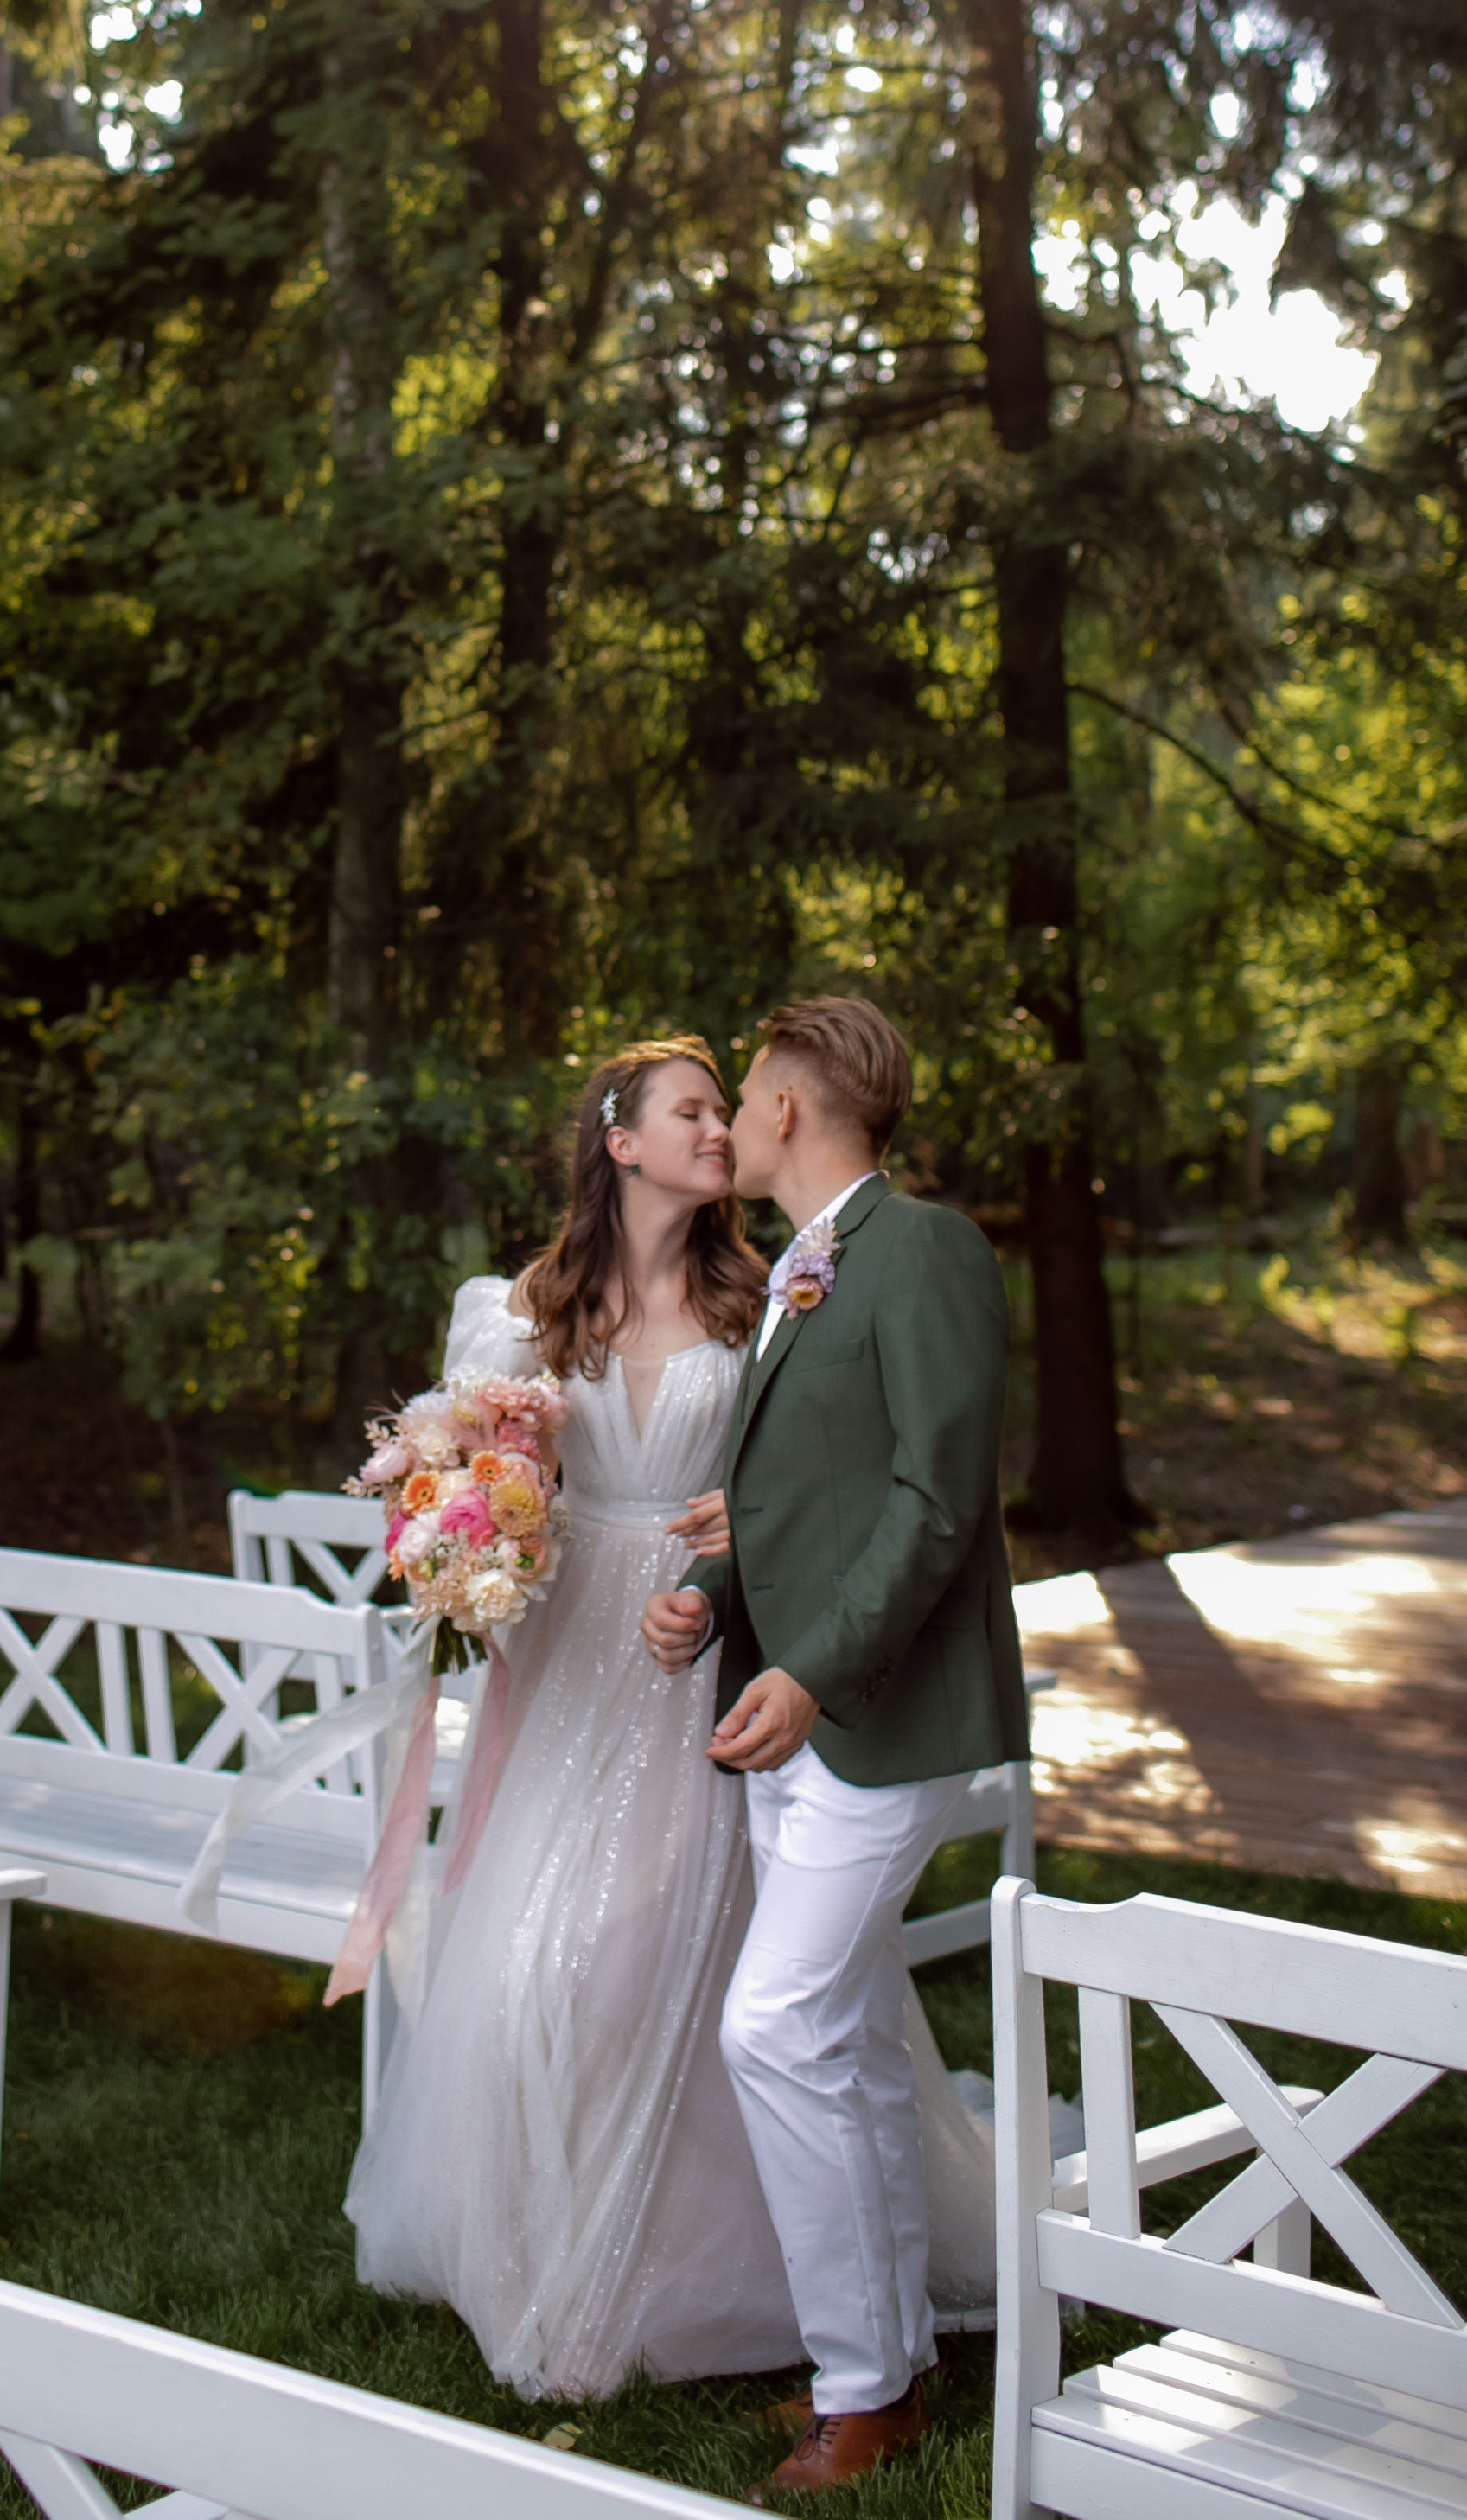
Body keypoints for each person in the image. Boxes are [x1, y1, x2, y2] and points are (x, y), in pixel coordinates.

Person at [345, 1034, 804, 2401]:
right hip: (565, 1671)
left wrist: (729, 1571)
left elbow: (798, 1481)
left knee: (639, 1961)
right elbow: (462, 1478)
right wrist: (460, 1548)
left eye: (725, 1111)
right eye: (694, 1110)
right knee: (526, 1962)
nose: (721, 1130)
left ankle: (676, 2271)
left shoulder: (765, 1303)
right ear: (621, 1141)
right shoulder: (521, 1313)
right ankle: (532, 2253)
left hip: (694, 1651)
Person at [643, 993, 1030, 2498]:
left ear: (792, 1109)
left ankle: (861, 2388)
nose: (730, 1119)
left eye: (742, 1095)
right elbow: (801, 1500)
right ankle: (891, 2369)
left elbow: (938, 1502)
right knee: (850, 2044)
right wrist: (707, 1598)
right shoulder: (803, 1271)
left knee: (775, 2025)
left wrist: (812, 1672)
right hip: (788, 1718)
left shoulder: (920, 1249)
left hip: (886, 1713)